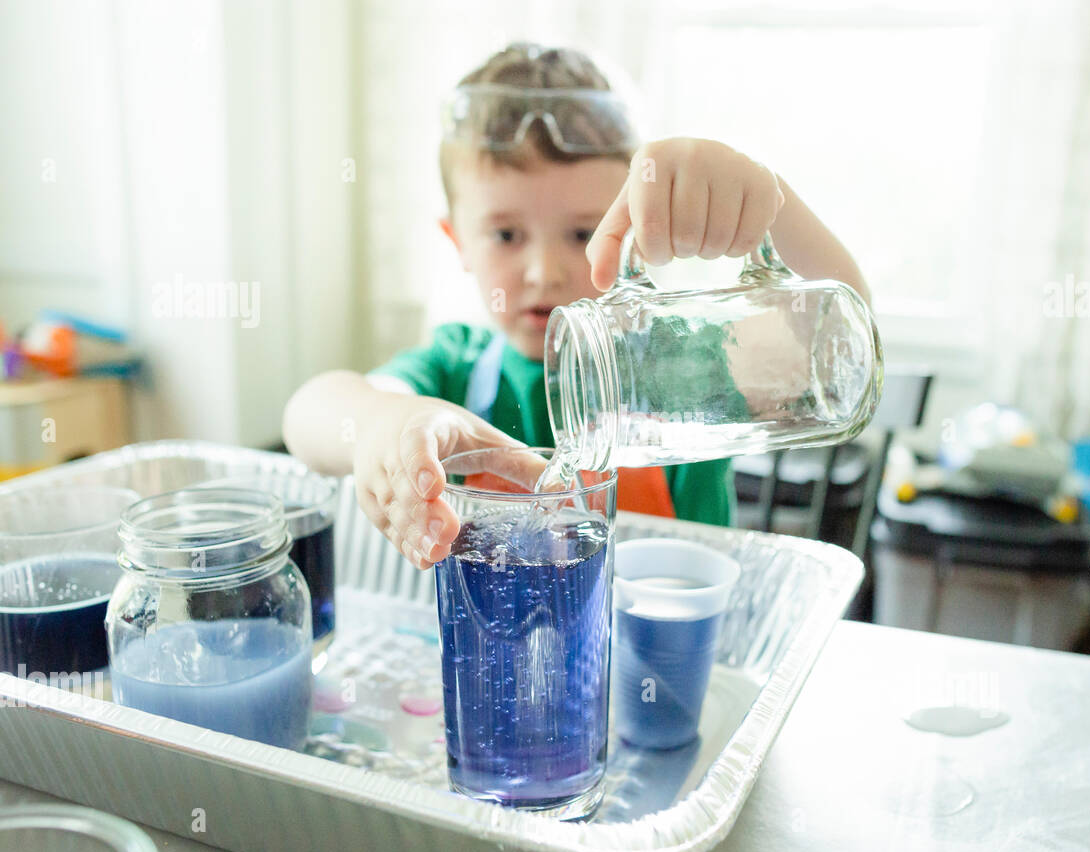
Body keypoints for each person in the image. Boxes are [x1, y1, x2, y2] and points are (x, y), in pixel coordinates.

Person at [282, 42, 870, 570]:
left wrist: (767, 201)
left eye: (583, 232)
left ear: (636, 233)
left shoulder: (686, 368)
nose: (545, 272)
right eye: (506, 235)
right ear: (456, 241)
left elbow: (840, 346)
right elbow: (307, 414)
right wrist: (381, 423)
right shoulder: (452, 367)